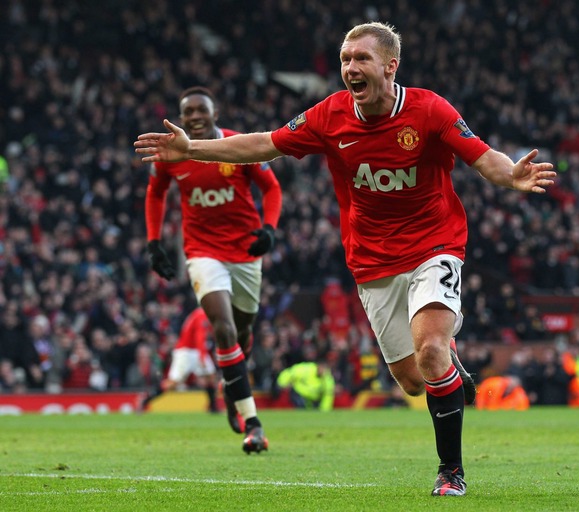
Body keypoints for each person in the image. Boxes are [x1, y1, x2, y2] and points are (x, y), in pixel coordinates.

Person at [136, 22, 555, 495]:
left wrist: (510, 176)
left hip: (434, 246)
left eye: (361, 59)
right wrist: (192, 148)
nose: (350, 68)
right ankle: (448, 371)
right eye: (345, 59)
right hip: (372, 262)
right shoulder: (329, 115)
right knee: (413, 381)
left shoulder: (429, 109)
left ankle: (451, 472)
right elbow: (264, 144)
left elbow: (483, 157)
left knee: (432, 349)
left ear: (390, 66)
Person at [144, 86, 282, 454]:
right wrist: (154, 241)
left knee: (242, 331)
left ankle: (231, 381)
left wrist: (268, 229)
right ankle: (252, 422)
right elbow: (156, 192)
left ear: (214, 113)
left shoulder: (236, 146)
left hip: (246, 250)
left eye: (200, 110)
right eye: (187, 111)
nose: (194, 117)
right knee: (222, 327)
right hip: (202, 251)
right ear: (181, 117)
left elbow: (271, 190)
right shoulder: (173, 152)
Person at [137, 307, 219, 414]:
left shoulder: (200, 314)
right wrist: (203, 356)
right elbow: (199, 337)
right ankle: (146, 399)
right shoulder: (201, 315)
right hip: (186, 351)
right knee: (173, 383)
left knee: (211, 376)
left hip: (194, 350)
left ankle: (213, 407)